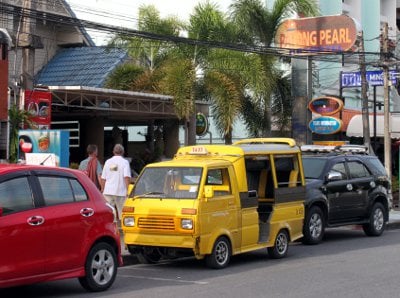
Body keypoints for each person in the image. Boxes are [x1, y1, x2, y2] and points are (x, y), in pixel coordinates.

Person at [101, 144, 131, 220]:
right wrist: (128, 190)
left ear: (113, 151)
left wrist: (102, 189)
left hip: (108, 191)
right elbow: (126, 177)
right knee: (122, 214)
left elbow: (103, 178)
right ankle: (121, 230)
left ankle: (112, 230)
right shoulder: (125, 162)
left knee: (110, 214)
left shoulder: (108, 162)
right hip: (120, 192)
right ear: (123, 152)